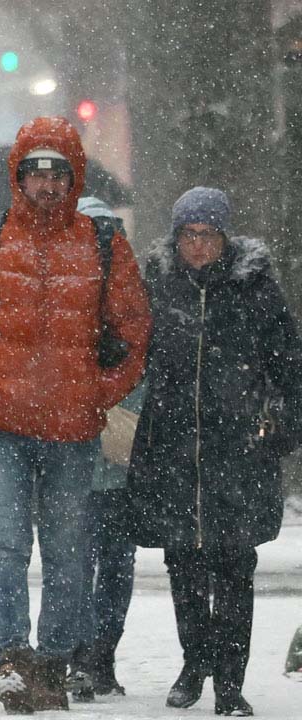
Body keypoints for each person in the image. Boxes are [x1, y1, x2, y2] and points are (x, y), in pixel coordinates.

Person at [0, 117, 151, 713]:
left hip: (72, 428)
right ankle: (13, 659)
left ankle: (52, 662)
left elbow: (132, 332)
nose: (46, 184)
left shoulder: (103, 243)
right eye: (36, 172)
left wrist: (98, 390)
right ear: (17, 176)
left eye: (58, 173)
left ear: (72, 177)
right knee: (7, 546)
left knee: (67, 548)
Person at [125, 187, 302, 717]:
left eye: (208, 235)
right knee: (183, 563)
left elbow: (288, 363)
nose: (198, 246)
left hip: (239, 449)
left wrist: (286, 426)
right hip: (173, 445)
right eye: (188, 235)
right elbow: (129, 352)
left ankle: (230, 680)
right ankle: (193, 661)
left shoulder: (257, 290)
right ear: (176, 237)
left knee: (233, 565)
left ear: (225, 238)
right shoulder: (156, 287)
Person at [66, 197, 141, 701]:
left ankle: (99, 656)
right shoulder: (60, 292)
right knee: (80, 562)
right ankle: (83, 657)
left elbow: (144, 362)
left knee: (110, 562)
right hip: (73, 453)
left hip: (115, 451)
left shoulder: (131, 293)